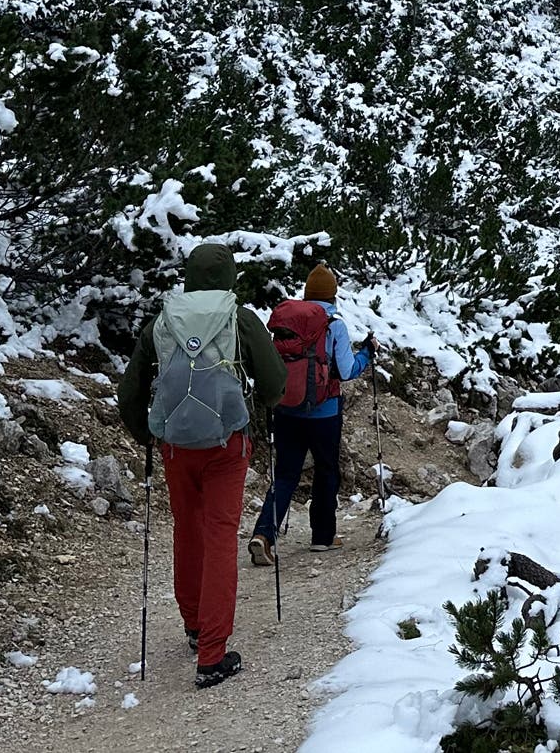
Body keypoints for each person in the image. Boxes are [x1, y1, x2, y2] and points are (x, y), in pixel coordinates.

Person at [119, 242, 286, 689]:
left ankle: (194, 626)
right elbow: (273, 384)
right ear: (230, 276)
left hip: (175, 445)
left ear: (189, 276)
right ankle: (212, 653)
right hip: (227, 444)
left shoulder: (163, 320)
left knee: (186, 530)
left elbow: (131, 390)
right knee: (219, 536)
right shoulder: (240, 318)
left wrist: (147, 434)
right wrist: (260, 404)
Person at [249, 264, 372, 564]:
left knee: (286, 473)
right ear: (333, 294)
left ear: (307, 293)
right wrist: (367, 353)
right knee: (326, 469)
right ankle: (323, 536)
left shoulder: (291, 322)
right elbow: (345, 371)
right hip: (324, 412)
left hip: (287, 408)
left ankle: (264, 534)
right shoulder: (334, 324)